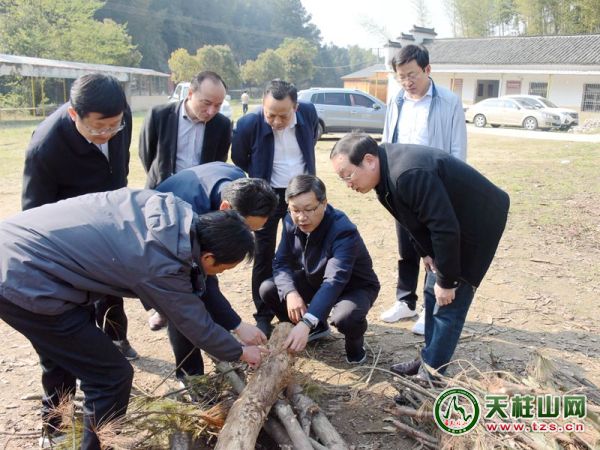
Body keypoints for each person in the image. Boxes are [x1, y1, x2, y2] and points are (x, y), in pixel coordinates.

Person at [0, 188, 266, 449]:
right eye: (222, 269)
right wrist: (240, 352)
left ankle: (55, 428)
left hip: (21, 249)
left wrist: (236, 328)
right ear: (208, 256)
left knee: (67, 352)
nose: (218, 274)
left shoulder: (168, 211)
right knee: (111, 377)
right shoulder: (160, 261)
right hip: (26, 278)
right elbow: (193, 323)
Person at [330, 132, 509, 380]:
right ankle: (428, 358)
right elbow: (410, 218)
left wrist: (447, 281)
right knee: (431, 292)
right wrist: (425, 252)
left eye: (348, 175)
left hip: (476, 222)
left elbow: (444, 228)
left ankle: (431, 375)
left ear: (369, 160)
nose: (348, 184)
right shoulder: (384, 176)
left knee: (449, 302)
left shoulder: (407, 174)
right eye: (342, 179)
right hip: (450, 223)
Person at [20, 73, 138, 443]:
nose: (108, 134)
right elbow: (34, 217)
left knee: (110, 306)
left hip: (106, 238)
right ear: (74, 115)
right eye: (99, 128)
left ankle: (108, 363)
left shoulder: (119, 119)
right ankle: (55, 427)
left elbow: (119, 174)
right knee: (60, 347)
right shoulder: (46, 148)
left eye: (114, 126)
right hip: (62, 254)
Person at [149, 162, 279, 383]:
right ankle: (191, 378)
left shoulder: (240, 185)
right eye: (246, 228)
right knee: (182, 303)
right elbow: (196, 283)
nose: (247, 236)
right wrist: (236, 325)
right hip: (152, 240)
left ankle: (217, 343)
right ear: (225, 208)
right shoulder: (187, 218)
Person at [379, 44, 468, 336]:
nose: (407, 82)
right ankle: (406, 301)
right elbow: (387, 140)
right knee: (406, 247)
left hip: (434, 187)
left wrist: (453, 187)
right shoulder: (397, 101)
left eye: (412, 75)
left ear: (427, 70)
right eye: (401, 77)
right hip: (401, 184)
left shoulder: (449, 101)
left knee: (434, 249)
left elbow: (457, 147)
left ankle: (430, 309)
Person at [260, 175, 380, 363]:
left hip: (353, 287)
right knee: (269, 289)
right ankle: (316, 327)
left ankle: (355, 347)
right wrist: (291, 292)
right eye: (295, 210)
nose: (301, 217)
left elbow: (334, 280)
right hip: (315, 278)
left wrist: (306, 320)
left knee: (346, 317)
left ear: (324, 203)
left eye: (309, 209)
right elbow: (281, 262)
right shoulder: (290, 221)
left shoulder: (342, 230)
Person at [232, 79, 319, 336]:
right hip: (266, 194)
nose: (277, 121)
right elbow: (239, 157)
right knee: (263, 252)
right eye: (270, 115)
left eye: (283, 115)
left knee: (303, 250)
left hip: (300, 193)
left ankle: (303, 308)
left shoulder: (309, 113)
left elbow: (311, 140)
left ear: (296, 107)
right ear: (262, 105)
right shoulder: (248, 123)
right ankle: (263, 314)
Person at [139, 71, 232, 189]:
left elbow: (218, 163)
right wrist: (159, 175)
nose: (211, 111)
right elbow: (146, 153)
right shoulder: (159, 115)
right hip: (161, 189)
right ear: (190, 93)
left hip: (200, 192)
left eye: (218, 105)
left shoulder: (222, 125)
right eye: (206, 103)